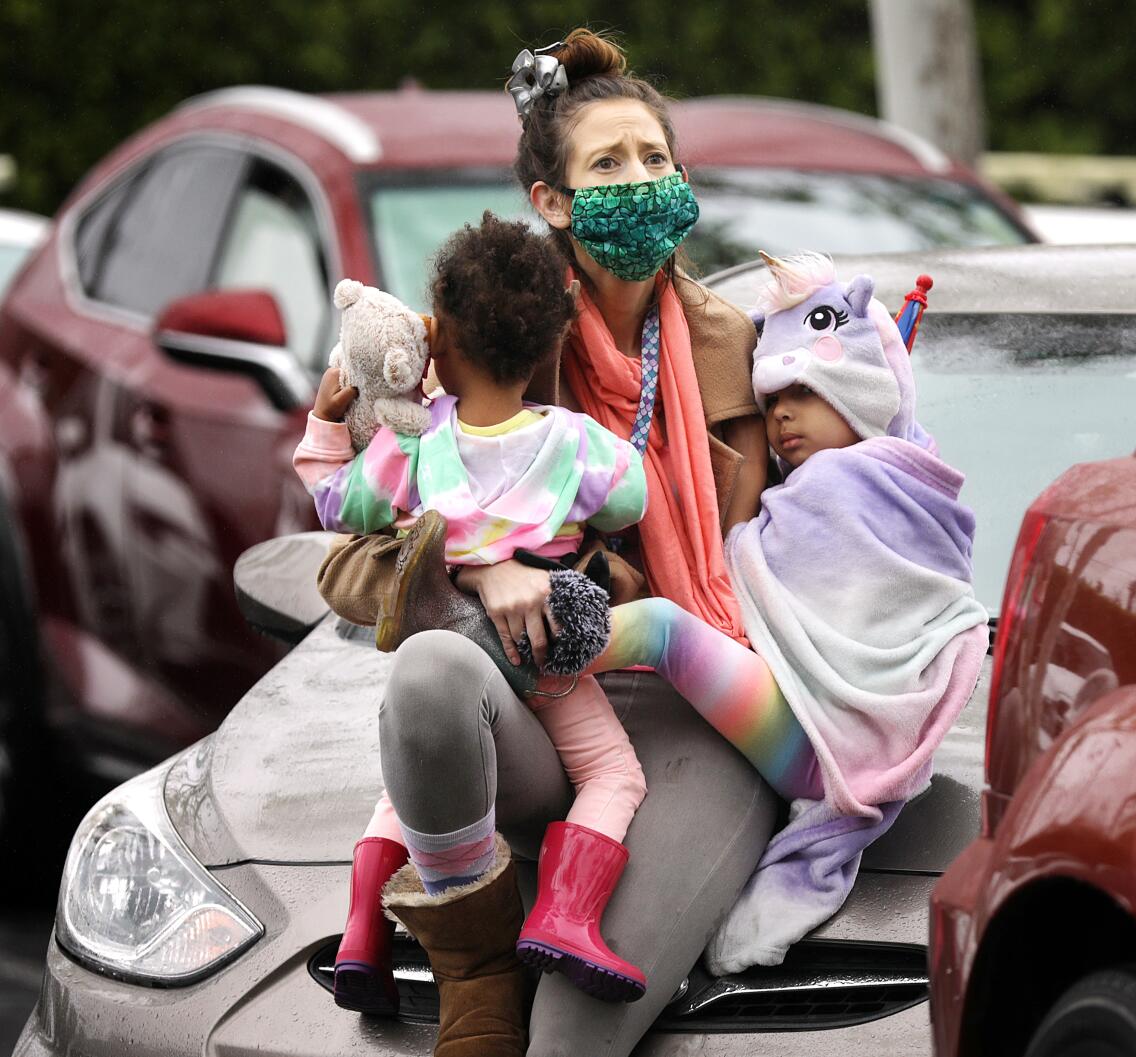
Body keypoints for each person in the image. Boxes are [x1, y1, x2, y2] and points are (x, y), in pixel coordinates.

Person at [316, 28, 777, 1057]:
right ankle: (468, 966)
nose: (639, 180)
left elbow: (788, 546)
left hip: (704, 703)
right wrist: (489, 562)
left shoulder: (737, 344)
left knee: (574, 1027)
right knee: (433, 670)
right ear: (550, 201)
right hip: (529, 699)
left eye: (655, 159)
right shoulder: (492, 338)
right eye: (607, 163)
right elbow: (354, 543)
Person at [573, 251, 989, 970]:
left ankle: (525, 652)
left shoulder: (848, 482)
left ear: (862, 390)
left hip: (816, 739)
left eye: (806, 389)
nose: (782, 414)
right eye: (769, 401)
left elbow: (744, 587)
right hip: (843, 743)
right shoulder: (914, 475)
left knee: (664, 629)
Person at [292, 214, 654, 1014]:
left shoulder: (415, 447)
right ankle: (566, 914)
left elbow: (333, 504)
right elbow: (633, 496)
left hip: (453, 635)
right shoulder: (575, 441)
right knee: (613, 772)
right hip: (544, 654)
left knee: (408, 778)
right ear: (541, 349)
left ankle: (362, 930)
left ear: (440, 347)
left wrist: (327, 424)